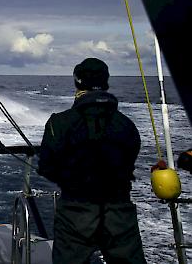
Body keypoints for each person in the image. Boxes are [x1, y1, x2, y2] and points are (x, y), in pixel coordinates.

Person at [38, 58, 146, 264]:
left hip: (75, 213)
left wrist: (72, 179)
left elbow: (46, 167)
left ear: (77, 81)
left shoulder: (59, 124)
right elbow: (130, 160)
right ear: (106, 82)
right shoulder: (126, 125)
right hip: (119, 213)